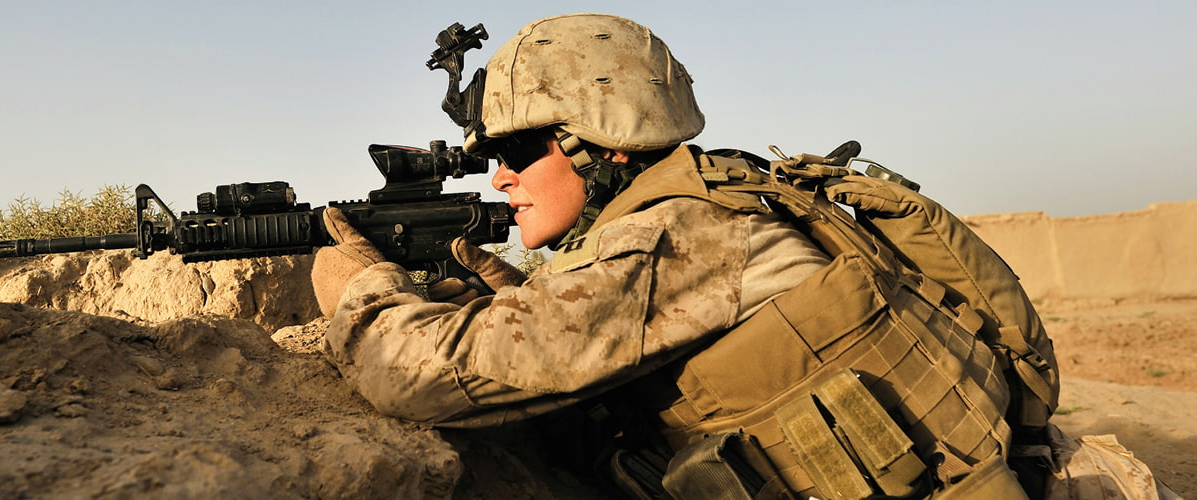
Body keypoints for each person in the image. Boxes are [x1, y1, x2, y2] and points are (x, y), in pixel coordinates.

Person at [309, 13, 1157, 499]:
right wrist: (498, 289)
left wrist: (362, 288)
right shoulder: (722, 194)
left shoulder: (677, 237)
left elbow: (415, 377)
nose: (498, 175)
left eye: (519, 149)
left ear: (594, 141)